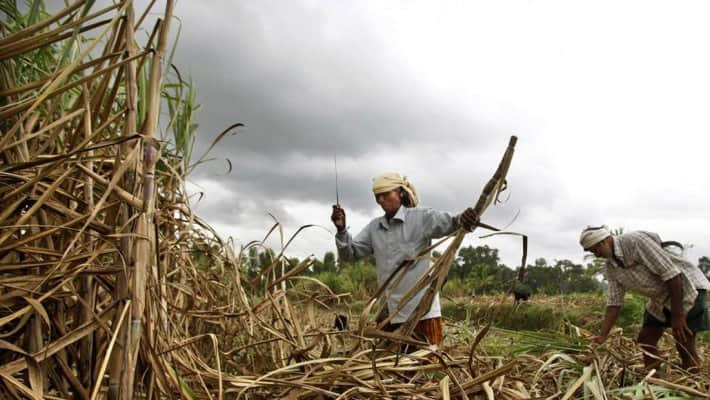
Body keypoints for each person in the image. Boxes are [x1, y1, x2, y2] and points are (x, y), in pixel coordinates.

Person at [331, 172, 479, 346]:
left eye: (386, 194)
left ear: (400, 192)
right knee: (387, 368)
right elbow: (350, 253)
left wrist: (466, 219)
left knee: (425, 368)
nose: (381, 200)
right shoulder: (375, 228)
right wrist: (341, 229)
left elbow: (454, 223)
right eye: (377, 197)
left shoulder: (420, 218)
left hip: (421, 314)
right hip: (388, 316)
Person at [580, 225, 710, 370]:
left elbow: (674, 276)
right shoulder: (611, 267)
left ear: (603, 242)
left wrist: (677, 316)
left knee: (683, 341)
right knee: (646, 339)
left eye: (595, 250)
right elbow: (614, 303)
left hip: (686, 289)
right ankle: (654, 379)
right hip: (660, 298)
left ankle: (692, 380)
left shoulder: (635, 241)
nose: (596, 255)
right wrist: (602, 335)